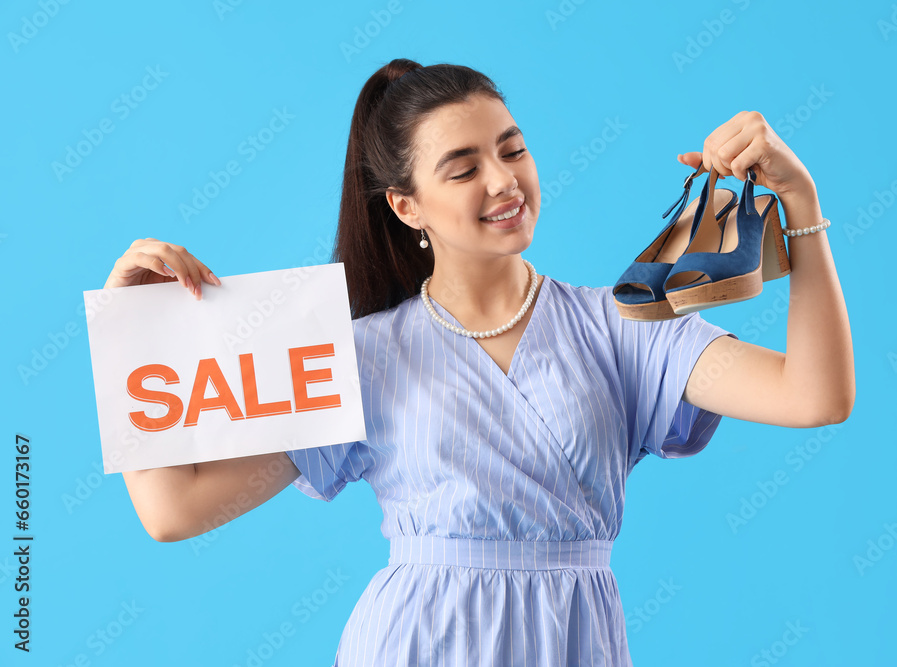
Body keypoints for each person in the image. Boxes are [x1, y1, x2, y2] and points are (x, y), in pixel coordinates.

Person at [106, 58, 854, 666]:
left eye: (512, 148)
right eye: (462, 169)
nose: (503, 181)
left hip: (577, 642)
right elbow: (174, 512)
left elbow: (815, 395)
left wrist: (801, 203)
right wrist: (127, 327)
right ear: (407, 206)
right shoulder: (362, 354)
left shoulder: (624, 326)